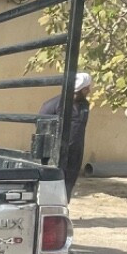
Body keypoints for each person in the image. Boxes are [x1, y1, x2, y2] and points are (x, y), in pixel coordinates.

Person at [38, 71, 91, 201]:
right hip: (56, 155)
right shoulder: (53, 105)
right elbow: (42, 128)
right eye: (86, 88)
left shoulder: (84, 105)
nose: (89, 91)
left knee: (67, 187)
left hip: (75, 154)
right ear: (80, 89)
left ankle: (63, 211)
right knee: (52, 186)